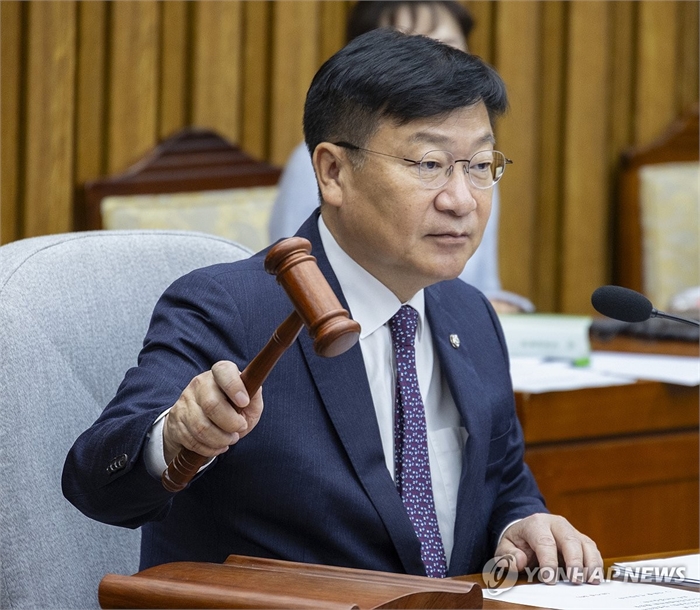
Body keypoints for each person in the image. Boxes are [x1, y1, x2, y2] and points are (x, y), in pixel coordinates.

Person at [63, 29, 601, 581]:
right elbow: (95, 483)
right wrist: (175, 435)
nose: (461, 199)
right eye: (429, 163)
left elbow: (503, 483)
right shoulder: (229, 309)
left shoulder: (471, 314)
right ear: (333, 172)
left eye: (480, 165)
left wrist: (521, 524)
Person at [269, 0, 534, 313]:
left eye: (445, 46)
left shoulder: (471, 169)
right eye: (429, 164)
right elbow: (287, 276)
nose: (462, 201)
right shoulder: (315, 162)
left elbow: (483, 286)